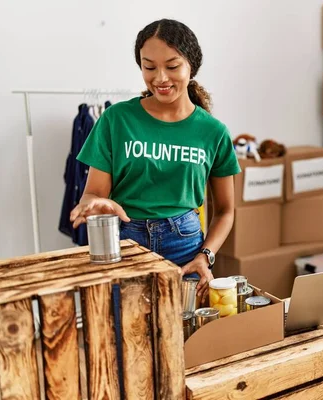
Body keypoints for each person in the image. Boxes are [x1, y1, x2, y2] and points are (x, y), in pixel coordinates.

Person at [70, 18, 240, 304]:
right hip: (126, 240)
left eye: (172, 66)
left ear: (191, 66)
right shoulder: (116, 120)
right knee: (127, 333)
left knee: (182, 338)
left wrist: (205, 256)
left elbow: (225, 210)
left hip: (185, 245)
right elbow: (94, 194)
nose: (160, 77)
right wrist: (94, 203)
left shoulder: (214, 132)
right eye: (149, 67)